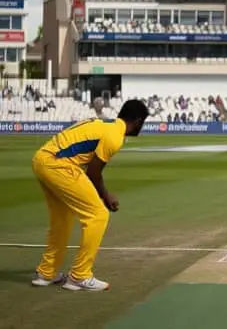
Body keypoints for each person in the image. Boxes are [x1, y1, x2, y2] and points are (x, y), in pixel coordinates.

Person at [31, 99, 150, 291]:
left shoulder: (103, 123)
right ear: (137, 121)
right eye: (142, 123)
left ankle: (47, 272)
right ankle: (80, 275)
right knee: (98, 215)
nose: (141, 127)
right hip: (60, 165)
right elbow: (93, 172)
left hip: (41, 160)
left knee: (63, 218)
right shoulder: (114, 136)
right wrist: (106, 196)